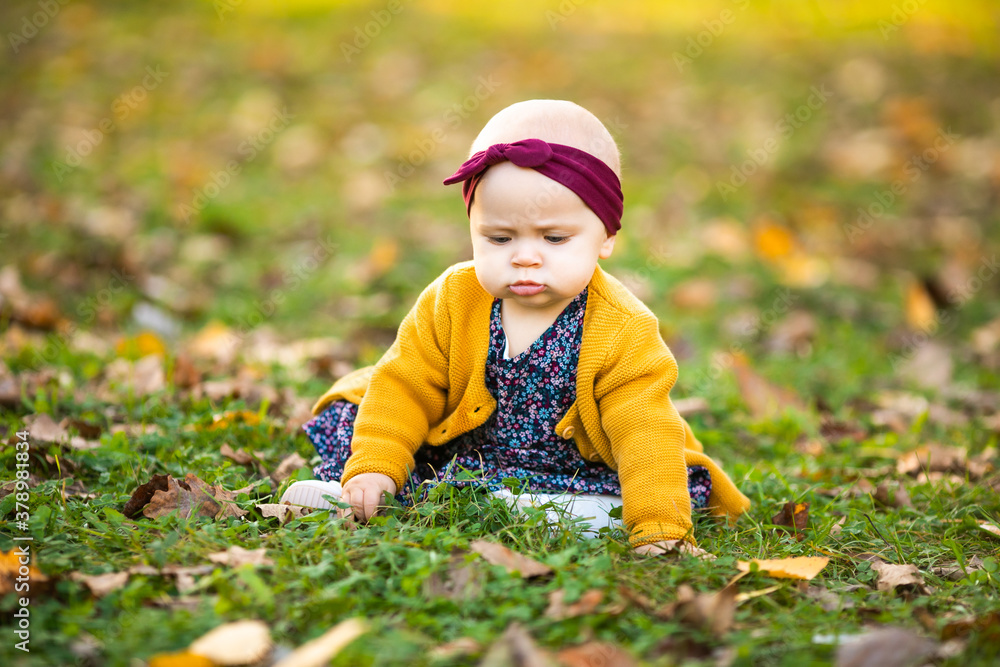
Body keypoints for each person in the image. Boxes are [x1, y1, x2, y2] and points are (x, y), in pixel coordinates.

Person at [281, 100, 750, 553]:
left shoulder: (622, 329)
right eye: (499, 238)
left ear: (605, 237)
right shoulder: (454, 298)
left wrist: (659, 527)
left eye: (554, 238)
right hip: (464, 449)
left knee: (658, 480)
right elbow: (405, 384)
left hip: (572, 468)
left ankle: (570, 513)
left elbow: (644, 431)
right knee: (359, 418)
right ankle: (373, 492)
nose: (525, 255)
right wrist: (376, 465)